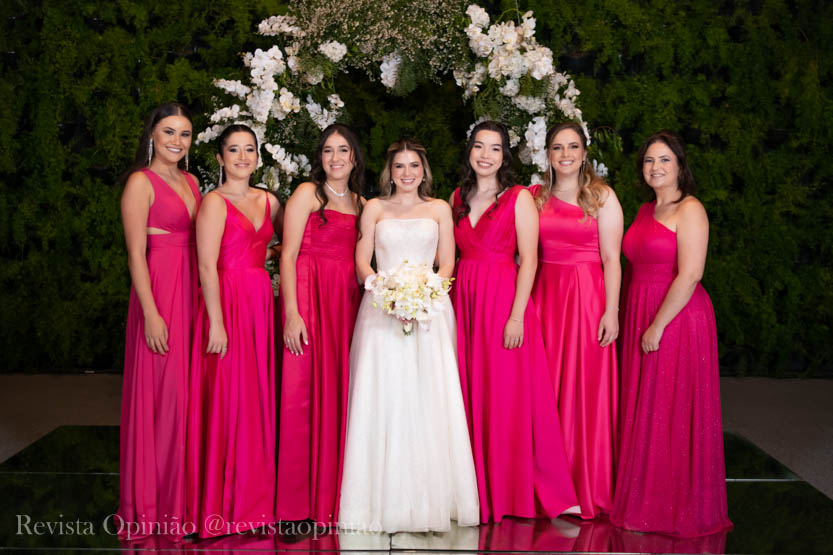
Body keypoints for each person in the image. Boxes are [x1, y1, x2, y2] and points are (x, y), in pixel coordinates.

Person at [339, 139, 479, 533]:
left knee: (428, 396)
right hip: (381, 310)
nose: (406, 173)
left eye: (413, 165)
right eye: (399, 166)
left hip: (430, 311)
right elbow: (362, 261)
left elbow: (448, 262)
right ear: (390, 171)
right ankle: (381, 501)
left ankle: (433, 500)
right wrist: (386, 293)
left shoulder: (438, 209)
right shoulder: (374, 208)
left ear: (423, 171)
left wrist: (425, 293)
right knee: (385, 394)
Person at [450, 120, 578, 523]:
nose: (486, 155)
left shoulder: (520, 198)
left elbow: (531, 260)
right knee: (468, 393)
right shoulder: (456, 197)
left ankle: (508, 493)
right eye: (479, 146)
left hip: (504, 302)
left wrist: (517, 316)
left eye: (495, 148)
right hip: (465, 302)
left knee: (505, 397)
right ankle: (474, 490)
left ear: (505, 155)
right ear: (470, 151)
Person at [611, 130, 732, 536]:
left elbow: (692, 273)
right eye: (649, 160)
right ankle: (644, 498)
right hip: (641, 311)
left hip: (676, 318)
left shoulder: (690, 208)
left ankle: (668, 507)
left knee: (668, 407)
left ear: (680, 165)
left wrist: (658, 325)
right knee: (646, 407)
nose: (656, 167)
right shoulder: (646, 209)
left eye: (664, 159)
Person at [186, 124, 282, 537]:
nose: (243, 157)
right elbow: (206, 266)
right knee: (228, 398)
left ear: (257, 157)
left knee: (256, 396)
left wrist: (271, 254)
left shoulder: (270, 201)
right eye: (234, 150)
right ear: (220, 158)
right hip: (225, 302)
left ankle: (254, 503)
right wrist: (217, 322)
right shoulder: (213, 203)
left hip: (259, 302)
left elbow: (285, 245)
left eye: (249, 150)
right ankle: (223, 507)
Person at [530, 122, 623, 519]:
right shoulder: (535, 198)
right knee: (545, 389)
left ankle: (586, 484)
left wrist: (611, 311)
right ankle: (548, 487)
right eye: (557, 147)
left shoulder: (601, 197)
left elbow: (612, 259)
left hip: (586, 300)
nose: (565, 154)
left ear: (584, 153)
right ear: (547, 154)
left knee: (584, 391)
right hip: (545, 299)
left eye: (572, 147)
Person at [118, 102, 201, 540]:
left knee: (186, 397)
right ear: (152, 133)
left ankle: (183, 502)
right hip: (161, 291)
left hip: (192, 290)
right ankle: (155, 506)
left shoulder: (192, 181)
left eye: (184, 134)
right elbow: (135, 254)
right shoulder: (140, 182)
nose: (176, 141)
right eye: (169, 132)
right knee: (163, 396)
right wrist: (150, 314)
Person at [276, 124, 364, 525]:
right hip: (309, 298)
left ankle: (333, 494)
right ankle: (296, 504)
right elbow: (287, 255)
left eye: (343, 150)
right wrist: (292, 312)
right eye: (328, 150)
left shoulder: (362, 203)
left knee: (339, 392)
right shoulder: (307, 194)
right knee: (302, 392)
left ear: (354, 157)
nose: (335, 158)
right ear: (320, 157)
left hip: (344, 303)